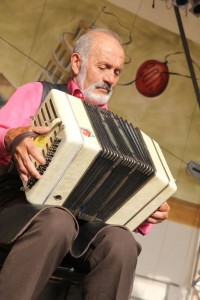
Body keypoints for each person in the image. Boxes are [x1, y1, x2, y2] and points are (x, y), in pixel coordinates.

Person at [0, 28, 170, 300]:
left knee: (122, 243)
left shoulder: (113, 132)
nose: (110, 78)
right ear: (77, 62)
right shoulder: (38, 92)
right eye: (104, 67)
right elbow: (3, 130)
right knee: (58, 220)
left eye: (116, 72)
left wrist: (147, 207)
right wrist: (12, 137)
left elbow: (117, 193)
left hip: (81, 226)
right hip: (15, 205)